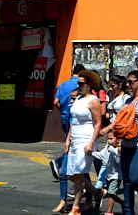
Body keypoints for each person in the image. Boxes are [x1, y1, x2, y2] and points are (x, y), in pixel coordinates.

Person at [102, 70, 138, 215]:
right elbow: (122, 123)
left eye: (130, 82)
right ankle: (128, 211)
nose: (128, 85)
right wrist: (116, 138)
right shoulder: (128, 101)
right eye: (127, 82)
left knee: (134, 178)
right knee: (127, 180)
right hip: (126, 144)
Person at [62, 70, 103, 215]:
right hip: (75, 139)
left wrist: (91, 142)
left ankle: (76, 207)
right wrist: (68, 139)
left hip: (86, 139)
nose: (78, 86)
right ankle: (96, 192)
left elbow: (98, 123)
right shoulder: (78, 98)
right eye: (77, 83)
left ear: (89, 84)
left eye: (81, 83)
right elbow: (73, 121)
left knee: (78, 174)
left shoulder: (94, 100)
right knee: (71, 174)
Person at [50, 63, 86, 211]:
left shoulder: (64, 85)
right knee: (69, 169)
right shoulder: (80, 92)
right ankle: (65, 199)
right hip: (73, 131)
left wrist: (64, 111)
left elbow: (56, 102)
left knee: (79, 170)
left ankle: (93, 193)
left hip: (73, 127)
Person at [92, 136, 122, 215]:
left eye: (111, 139)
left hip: (116, 176)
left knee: (111, 193)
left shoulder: (120, 148)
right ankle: (123, 203)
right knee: (110, 193)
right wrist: (91, 153)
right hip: (108, 175)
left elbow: (119, 160)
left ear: (118, 140)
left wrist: (112, 149)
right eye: (108, 139)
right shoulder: (107, 147)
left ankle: (109, 212)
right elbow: (101, 155)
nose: (109, 141)